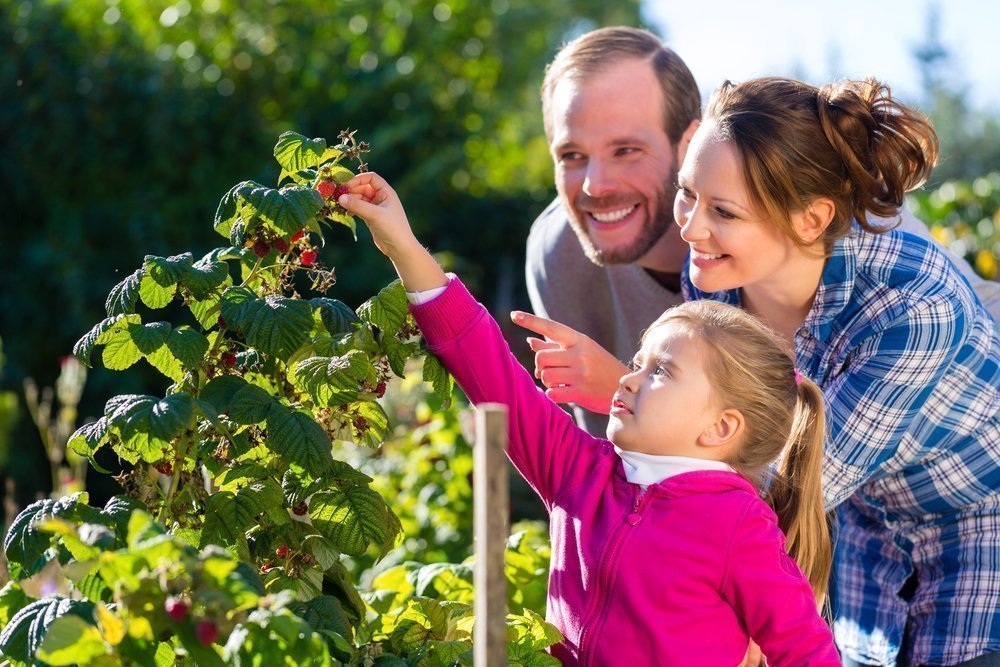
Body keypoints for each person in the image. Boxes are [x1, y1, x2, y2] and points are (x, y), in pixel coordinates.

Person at [531, 75, 1000, 666]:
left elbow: (784, 482)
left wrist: (621, 391)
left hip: (977, 535)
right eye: (687, 194)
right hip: (863, 545)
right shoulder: (716, 277)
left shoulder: (912, 311)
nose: (692, 228)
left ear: (811, 219)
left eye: (723, 211)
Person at [337, 172, 841, 666]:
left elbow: (806, 650)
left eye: (660, 371)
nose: (627, 378)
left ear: (721, 428)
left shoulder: (737, 524)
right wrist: (401, 243)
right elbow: (487, 367)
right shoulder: (577, 469)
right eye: (638, 362)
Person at [525, 26, 1000, 437]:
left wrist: (628, 389)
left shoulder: (864, 237)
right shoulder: (562, 253)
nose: (595, 185)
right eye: (570, 155)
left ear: (689, 143)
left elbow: (797, 476)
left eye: (626, 149)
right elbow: (612, 454)